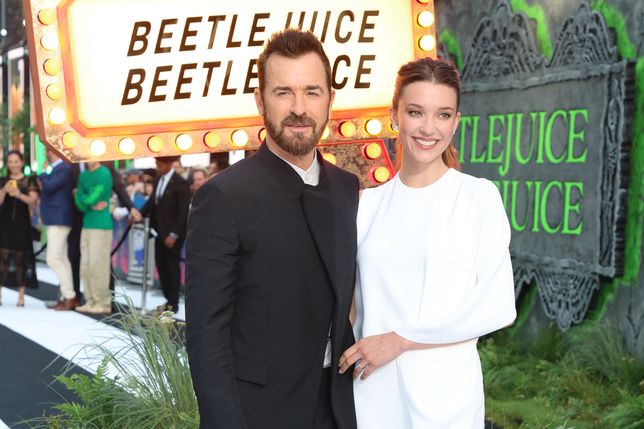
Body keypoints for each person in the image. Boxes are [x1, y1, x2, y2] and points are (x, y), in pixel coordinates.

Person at [186, 29, 359, 429]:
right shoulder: (223, 196)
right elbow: (205, 334)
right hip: (259, 412)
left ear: (330, 99)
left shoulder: (347, 189)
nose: (299, 108)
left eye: (312, 92)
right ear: (260, 100)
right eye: (284, 92)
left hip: (338, 407)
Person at [338, 57, 517, 428]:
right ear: (394, 115)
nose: (428, 128)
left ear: (456, 122)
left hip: (447, 397)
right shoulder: (366, 206)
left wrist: (400, 339)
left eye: (443, 114)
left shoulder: (477, 198)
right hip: (372, 392)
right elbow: (351, 307)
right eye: (416, 112)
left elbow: (498, 306)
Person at [140, 156, 190, 312]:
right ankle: (168, 299)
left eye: (160, 165)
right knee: (161, 267)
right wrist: (138, 214)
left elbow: (183, 212)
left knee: (172, 268)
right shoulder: (157, 180)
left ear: (169, 164)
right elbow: (152, 203)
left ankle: (173, 304)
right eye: (156, 164)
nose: (158, 167)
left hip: (173, 235)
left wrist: (174, 234)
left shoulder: (181, 183)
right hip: (158, 232)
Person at [39, 148, 78, 310]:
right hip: (55, 218)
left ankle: (69, 296)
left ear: (52, 152)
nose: (46, 154)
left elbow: (48, 186)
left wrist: (42, 172)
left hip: (59, 218)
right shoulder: (59, 169)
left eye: (48, 151)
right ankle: (66, 295)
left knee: (53, 259)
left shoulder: (64, 169)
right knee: (62, 259)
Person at [0, 150, 39, 306]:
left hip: (22, 225)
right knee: (2, 259)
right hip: (4, 224)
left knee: (20, 259)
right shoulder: (3, 180)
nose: (13, 164)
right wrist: (4, 190)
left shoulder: (30, 180)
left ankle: (21, 296)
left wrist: (17, 194)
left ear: (22, 162)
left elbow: (33, 201)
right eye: (10, 162)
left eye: (16, 161)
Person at [73, 161, 113, 314]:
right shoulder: (83, 175)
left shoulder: (104, 173)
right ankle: (90, 299)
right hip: (87, 223)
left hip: (101, 225)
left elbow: (92, 197)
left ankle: (103, 302)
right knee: (85, 265)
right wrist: (88, 202)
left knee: (99, 265)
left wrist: (86, 200)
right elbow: (80, 201)